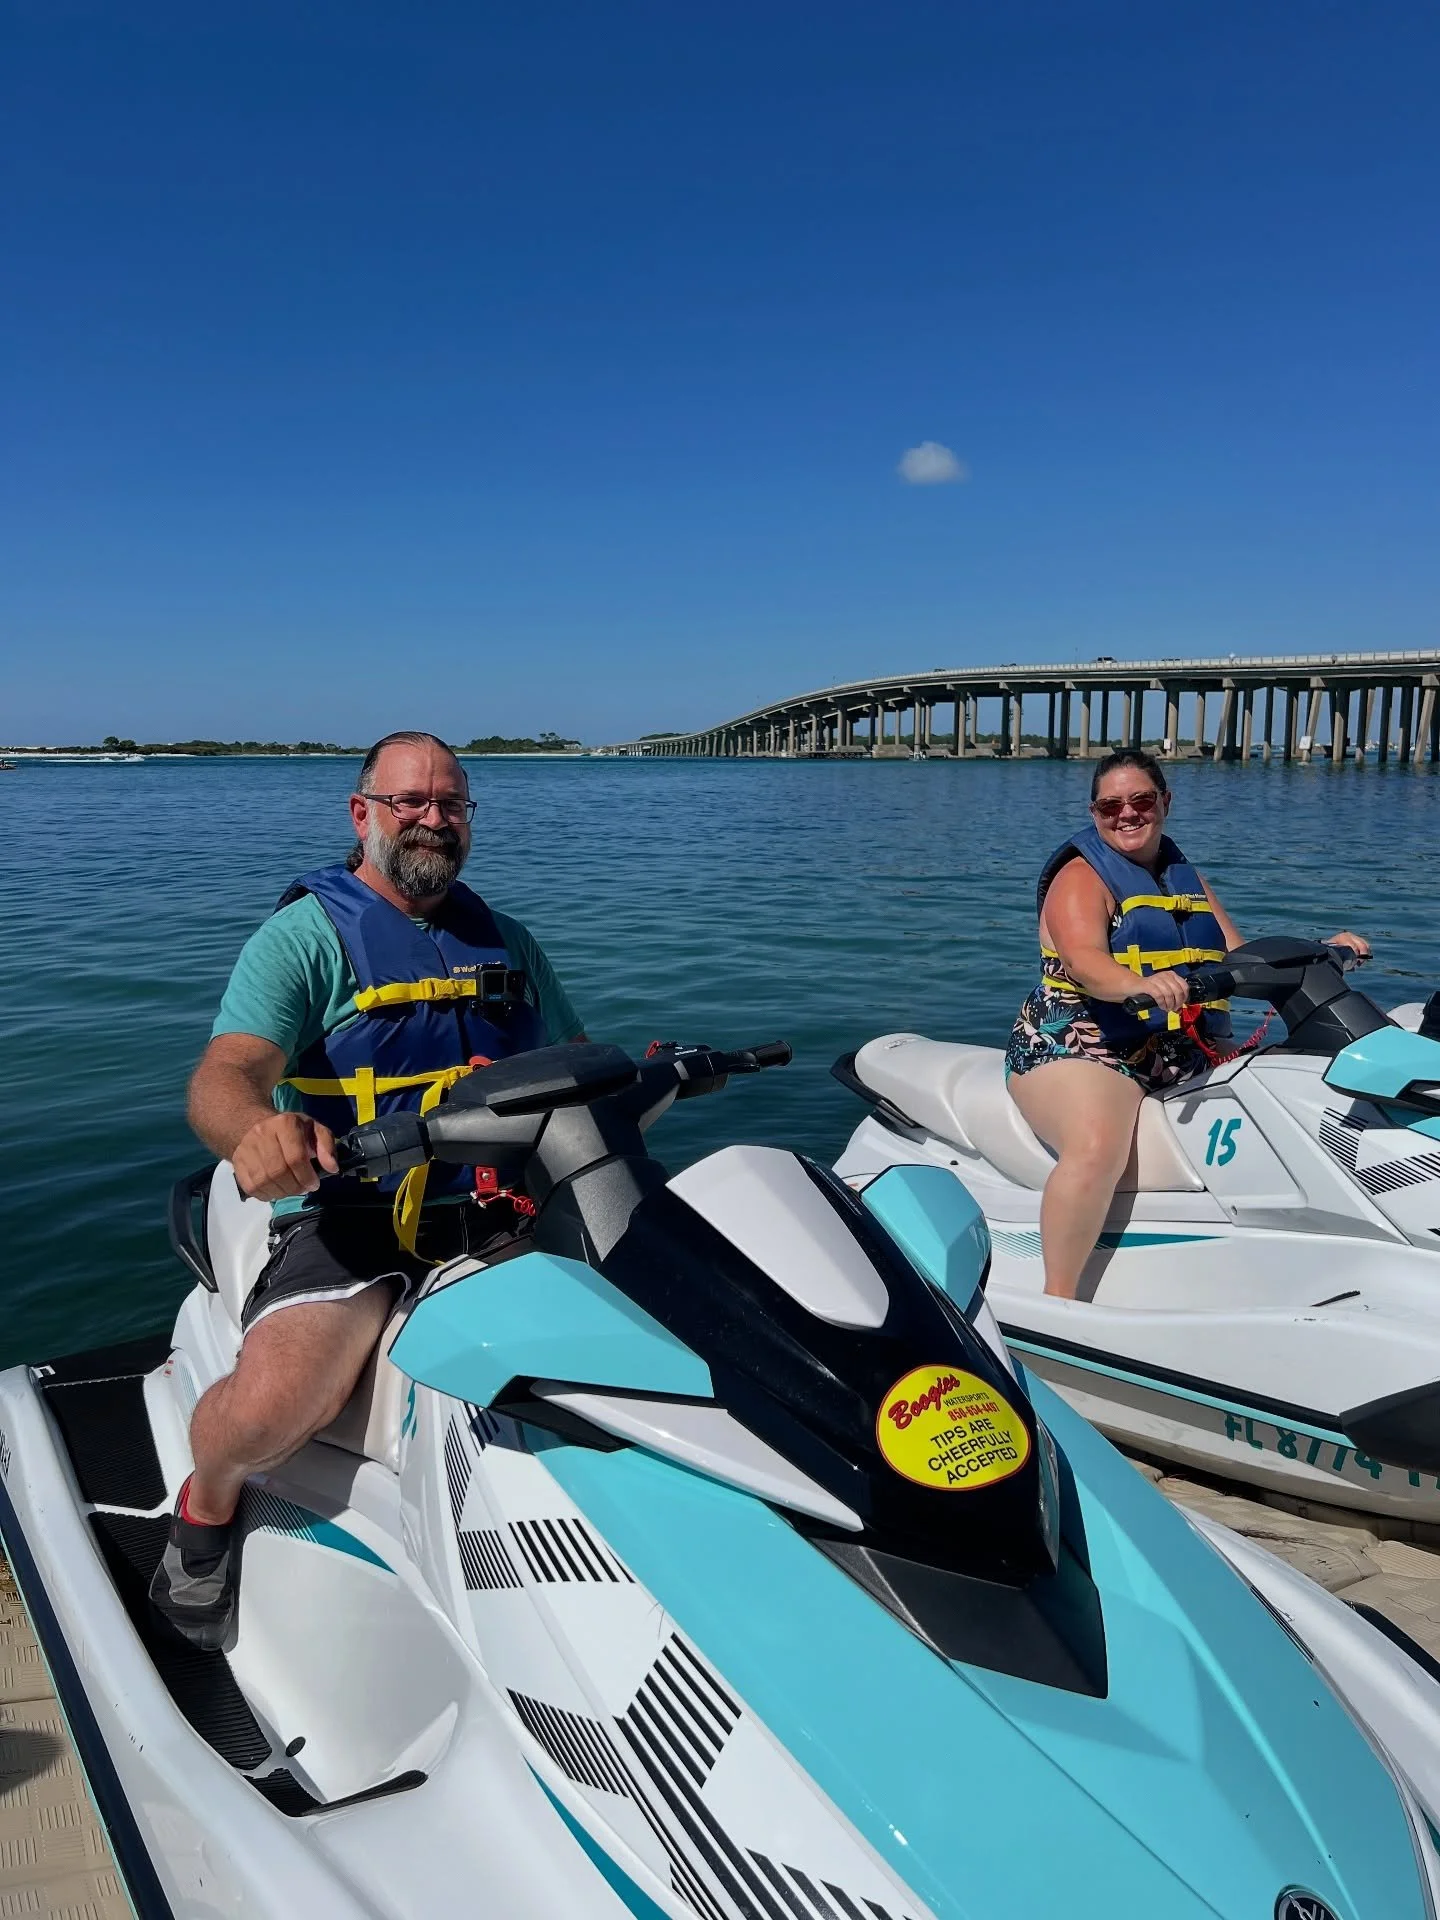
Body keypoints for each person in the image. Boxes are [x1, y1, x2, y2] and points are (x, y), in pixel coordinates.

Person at [150, 730, 586, 1646]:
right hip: (350, 1214)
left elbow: (577, 1071)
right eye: (411, 804)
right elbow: (223, 1075)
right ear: (364, 815)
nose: (433, 821)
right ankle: (208, 1500)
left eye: (451, 805)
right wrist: (254, 1131)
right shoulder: (305, 938)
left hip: (496, 1209)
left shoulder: (510, 944)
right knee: (275, 1408)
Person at [1005, 748, 1368, 1301]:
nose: (1127, 814)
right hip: (1080, 1041)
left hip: (1175, 1042)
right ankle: (1059, 1299)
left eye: (1141, 800)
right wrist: (1138, 985)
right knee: (1098, 1145)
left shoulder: (1181, 875)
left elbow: (1239, 955)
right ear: (1095, 813)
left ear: (1165, 803)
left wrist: (1319, 951)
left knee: (1292, 1080)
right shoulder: (1081, 877)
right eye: (1110, 806)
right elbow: (1085, 962)